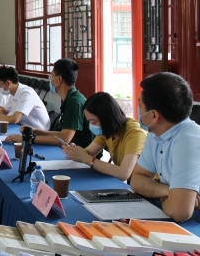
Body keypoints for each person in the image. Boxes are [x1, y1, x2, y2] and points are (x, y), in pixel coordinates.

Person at [130, 72, 200, 223]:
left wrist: (161, 194)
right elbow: (136, 180)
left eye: (140, 106)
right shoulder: (156, 134)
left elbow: (179, 211)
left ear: (154, 116)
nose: (138, 111)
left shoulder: (188, 140)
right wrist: (168, 191)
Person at [6, 59, 91, 148]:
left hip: (82, 153)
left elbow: (64, 139)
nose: (50, 80)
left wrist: (28, 138)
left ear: (59, 79)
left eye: (51, 77)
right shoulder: (71, 98)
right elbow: (63, 133)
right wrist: (37, 131)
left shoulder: (74, 103)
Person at [61, 92, 146, 181]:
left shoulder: (135, 134)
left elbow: (123, 173)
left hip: (143, 184)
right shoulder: (107, 131)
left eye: (94, 122)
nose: (91, 125)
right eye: (89, 121)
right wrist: (76, 152)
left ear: (107, 118)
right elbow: (88, 153)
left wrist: (88, 159)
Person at [0, 66, 50, 130]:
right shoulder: (13, 92)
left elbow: (15, 119)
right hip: (21, 127)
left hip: (38, 132)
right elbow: (4, 111)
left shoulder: (27, 94)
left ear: (8, 83)